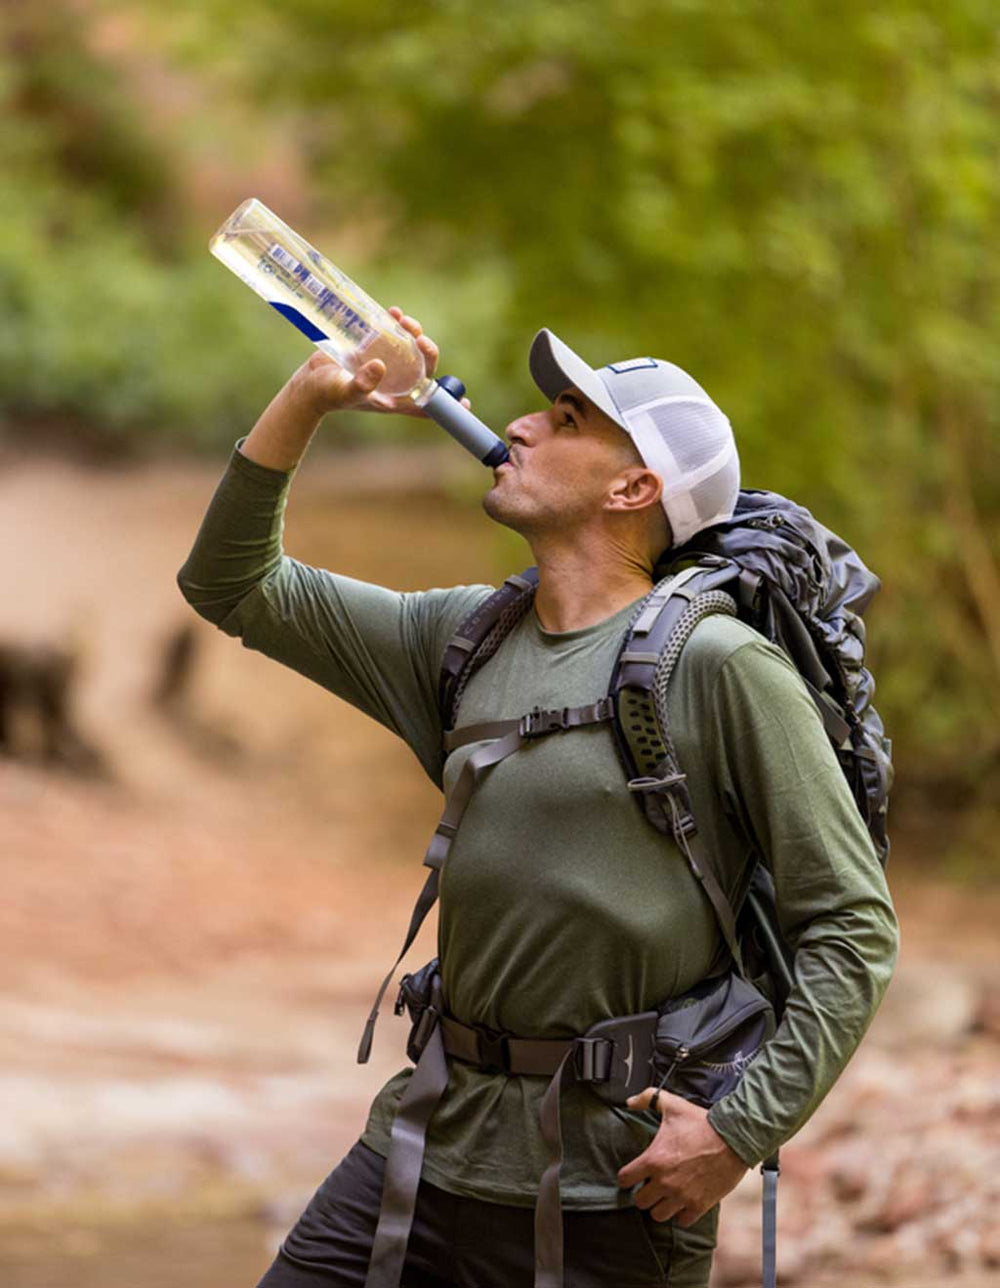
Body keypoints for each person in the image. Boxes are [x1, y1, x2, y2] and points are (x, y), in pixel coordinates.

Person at [177, 308, 899, 1288]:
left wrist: (736, 1133)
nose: (518, 425)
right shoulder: (462, 634)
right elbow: (231, 582)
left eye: (565, 419)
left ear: (633, 486)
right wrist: (312, 395)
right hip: (425, 1146)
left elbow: (851, 928)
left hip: (617, 1186)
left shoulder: (722, 667)